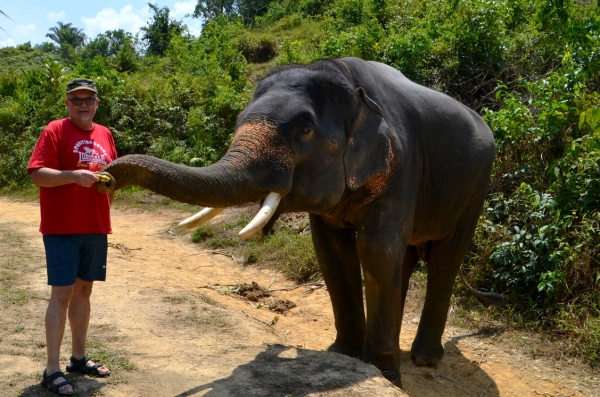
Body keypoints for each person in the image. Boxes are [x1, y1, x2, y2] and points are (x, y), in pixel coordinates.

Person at [28, 78, 117, 396]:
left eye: (88, 99)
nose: (83, 104)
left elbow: (112, 176)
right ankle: (51, 370)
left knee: (84, 291)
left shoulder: (105, 133)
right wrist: (72, 177)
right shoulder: (54, 131)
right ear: (68, 104)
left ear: (96, 103)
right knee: (62, 294)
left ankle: (78, 358)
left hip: (95, 227)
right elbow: (38, 174)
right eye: (76, 99)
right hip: (61, 228)